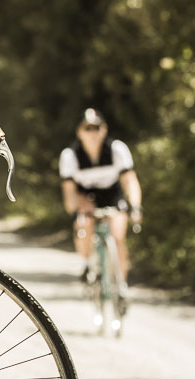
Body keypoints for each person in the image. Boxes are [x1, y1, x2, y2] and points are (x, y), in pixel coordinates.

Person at [59, 108, 143, 287]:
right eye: (87, 128)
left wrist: (135, 206)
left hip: (112, 193)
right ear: (79, 132)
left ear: (104, 129)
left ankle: (121, 286)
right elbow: (69, 192)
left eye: (96, 128)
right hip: (85, 196)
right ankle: (87, 264)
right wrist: (75, 213)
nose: (92, 133)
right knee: (84, 223)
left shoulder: (117, 149)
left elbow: (130, 181)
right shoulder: (70, 156)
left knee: (118, 234)